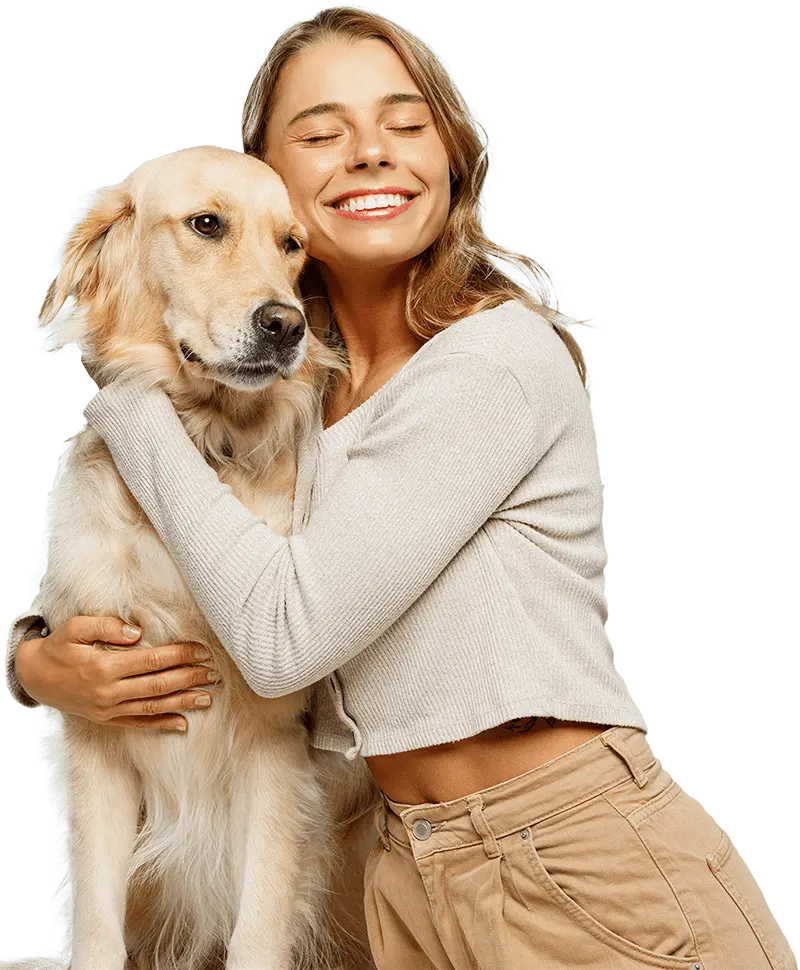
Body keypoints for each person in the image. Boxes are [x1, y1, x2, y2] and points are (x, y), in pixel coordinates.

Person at [5, 8, 796, 970]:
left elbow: (280, 638)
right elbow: (181, 582)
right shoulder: (297, 386)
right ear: (270, 177)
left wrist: (125, 399)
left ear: (453, 157)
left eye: (407, 124)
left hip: (573, 867)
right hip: (389, 872)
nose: (372, 154)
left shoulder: (493, 364)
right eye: (322, 134)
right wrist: (36, 661)